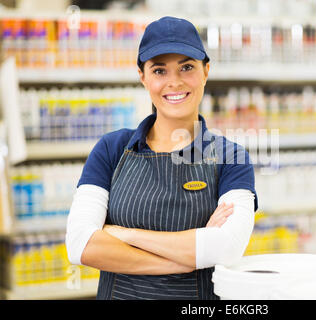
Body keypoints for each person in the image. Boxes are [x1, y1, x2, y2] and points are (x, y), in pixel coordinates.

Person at [65, 16, 258, 300]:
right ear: (142, 76)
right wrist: (188, 256)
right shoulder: (111, 149)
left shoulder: (232, 158)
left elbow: (227, 247)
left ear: (206, 71)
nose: (174, 82)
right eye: (159, 71)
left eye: (187, 67)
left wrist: (124, 234)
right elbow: (80, 245)